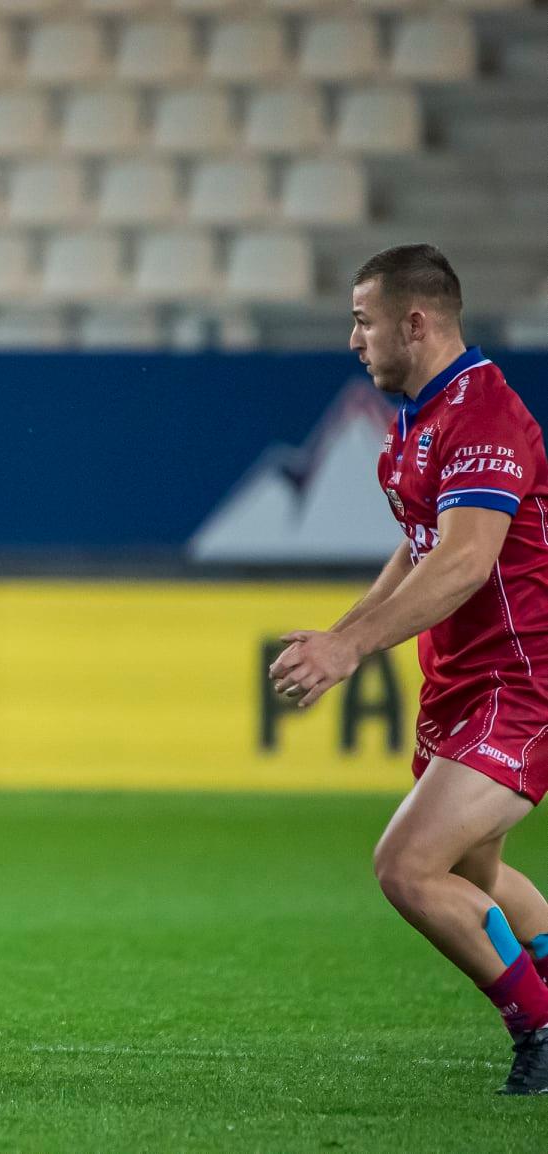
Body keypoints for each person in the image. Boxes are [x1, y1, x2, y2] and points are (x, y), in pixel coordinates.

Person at [271, 243, 548, 1095]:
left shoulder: (484, 417)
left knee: (406, 866)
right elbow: (419, 546)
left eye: (363, 321)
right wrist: (342, 632)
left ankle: (537, 1026)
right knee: (474, 875)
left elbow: (463, 561)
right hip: (458, 683)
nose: (353, 339)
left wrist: (350, 649)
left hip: (518, 684)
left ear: (414, 322)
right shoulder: (420, 417)